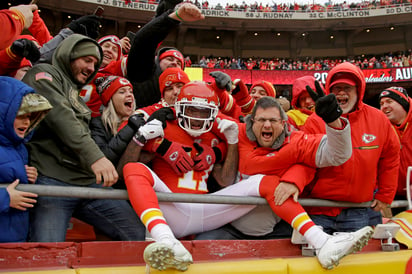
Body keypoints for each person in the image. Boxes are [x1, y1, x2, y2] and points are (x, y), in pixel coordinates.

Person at [119, 81, 373, 271]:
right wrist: (149, 133)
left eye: (273, 121)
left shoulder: (236, 135)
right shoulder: (169, 125)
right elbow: (127, 165)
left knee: (265, 182)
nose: (197, 119)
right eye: (261, 120)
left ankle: (322, 242)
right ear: (250, 123)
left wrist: (334, 123)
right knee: (134, 170)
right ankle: (165, 239)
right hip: (171, 211)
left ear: (284, 125)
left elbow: (335, 155)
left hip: (212, 212)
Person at [21, 34, 146, 242]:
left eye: (95, 63)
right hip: (53, 183)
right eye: (86, 60)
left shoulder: (75, 92)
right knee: (48, 253)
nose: (91, 67)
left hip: (87, 182)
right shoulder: (43, 74)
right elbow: (61, 116)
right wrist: (95, 158)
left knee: (137, 233)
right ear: (69, 55)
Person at [303, 62, 400, 234]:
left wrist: (386, 194)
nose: (341, 92)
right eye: (336, 88)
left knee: (357, 260)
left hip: (359, 209)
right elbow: (302, 159)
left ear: (359, 91)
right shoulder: (315, 121)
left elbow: (390, 157)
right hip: (319, 209)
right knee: (316, 259)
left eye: (347, 87)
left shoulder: (378, 119)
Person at [0, 76, 52, 242]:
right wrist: (5, 199)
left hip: (15, 240)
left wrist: (28, 177)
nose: (27, 122)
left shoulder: (19, 147)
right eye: (21, 115)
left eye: (30, 116)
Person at [379, 87, 412, 206]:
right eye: (381, 104)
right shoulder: (381, 128)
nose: (384, 106)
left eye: (389, 101)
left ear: (402, 103)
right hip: (394, 197)